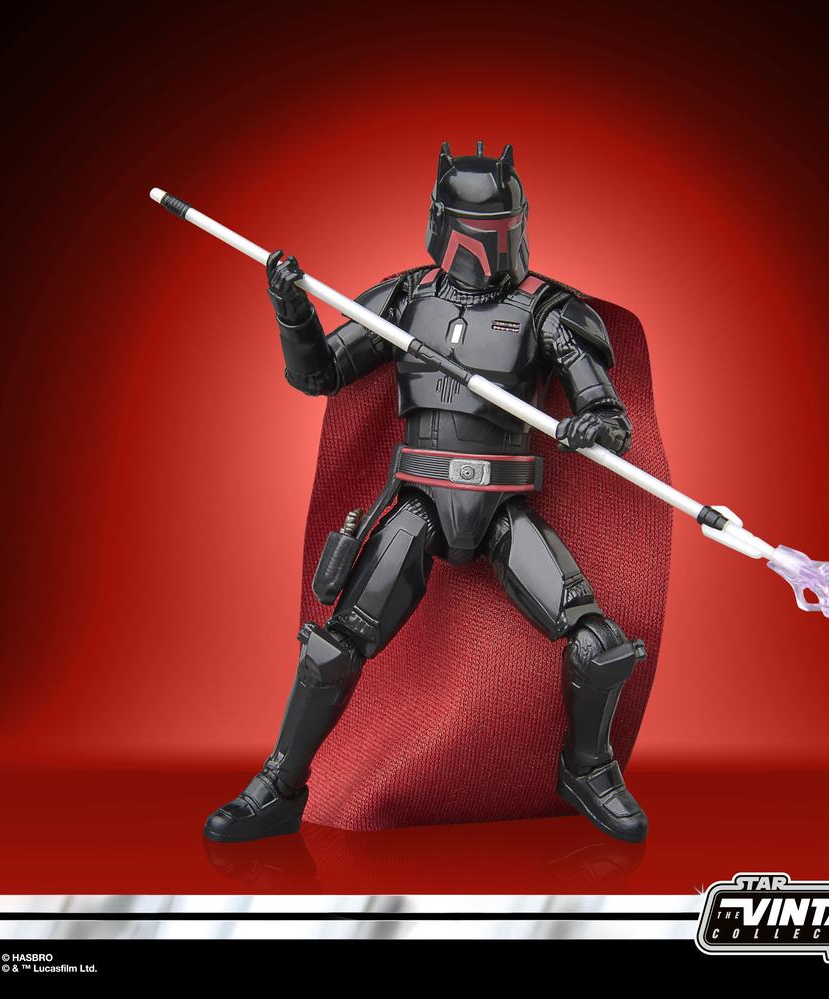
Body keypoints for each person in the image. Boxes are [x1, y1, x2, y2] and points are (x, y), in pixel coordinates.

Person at [203, 142, 648, 844]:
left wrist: (596, 423)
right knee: (333, 647)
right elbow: (318, 374)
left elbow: (606, 411)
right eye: (479, 227)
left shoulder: (547, 311)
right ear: (444, 222)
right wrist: (291, 311)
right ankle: (278, 787)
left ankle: (587, 768)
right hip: (421, 501)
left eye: (501, 226)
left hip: (502, 505)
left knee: (598, 644)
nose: (488, 244)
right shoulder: (406, 299)